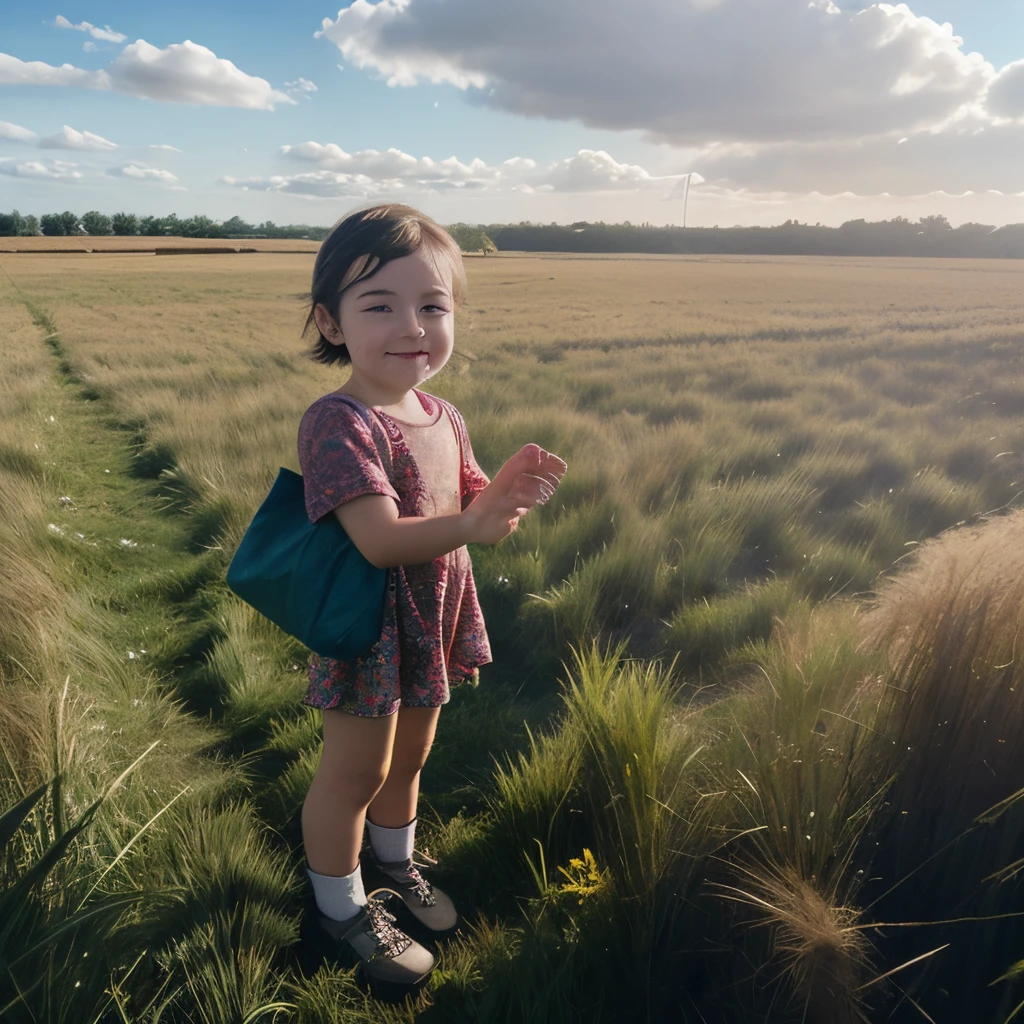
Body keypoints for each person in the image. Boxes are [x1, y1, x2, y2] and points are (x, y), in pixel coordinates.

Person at [297, 204, 566, 987]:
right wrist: (475, 520)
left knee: (411, 757)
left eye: (432, 306)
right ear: (332, 321)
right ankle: (342, 909)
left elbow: (476, 516)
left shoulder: (442, 413)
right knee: (353, 773)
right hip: (369, 628)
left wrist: (504, 500)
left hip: (435, 617)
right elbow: (381, 539)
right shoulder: (339, 422)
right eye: (379, 305)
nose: (411, 325)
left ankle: (396, 862)